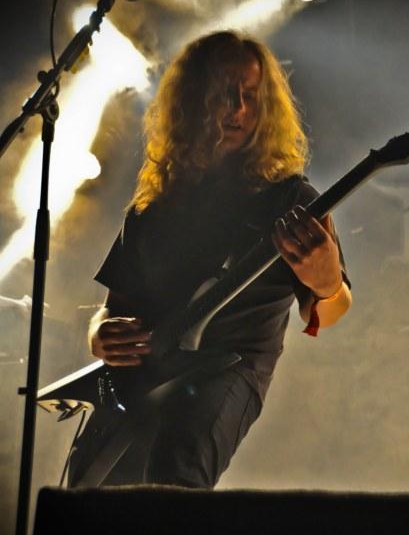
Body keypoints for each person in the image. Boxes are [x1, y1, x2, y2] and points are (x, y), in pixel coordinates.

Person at [68, 30, 351, 488]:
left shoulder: (291, 200)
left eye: (250, 96)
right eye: (222, 93)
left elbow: (331, 310)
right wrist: (100, 335)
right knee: (87, 492)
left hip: (228, 370)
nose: (237, 108)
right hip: (141, 377)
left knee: (175, 476)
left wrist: (328, 282)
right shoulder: (153, 208)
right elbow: (114, 307)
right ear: (192, 100)